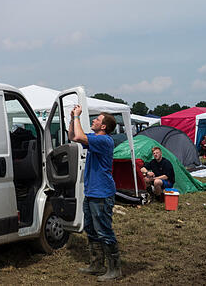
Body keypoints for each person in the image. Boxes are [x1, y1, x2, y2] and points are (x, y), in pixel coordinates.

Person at [69, 104, 120, 281]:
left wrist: (77, 116)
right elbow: (73, 136)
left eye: (97, 119)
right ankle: (97, 264)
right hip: (92, 191)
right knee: (91, 229)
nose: (93, 120)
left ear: (104, 126)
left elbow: (78, 135)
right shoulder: (95, 139)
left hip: (102, 193)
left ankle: (115, 269)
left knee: (104, 230)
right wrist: (72, 118)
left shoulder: (104, 140)